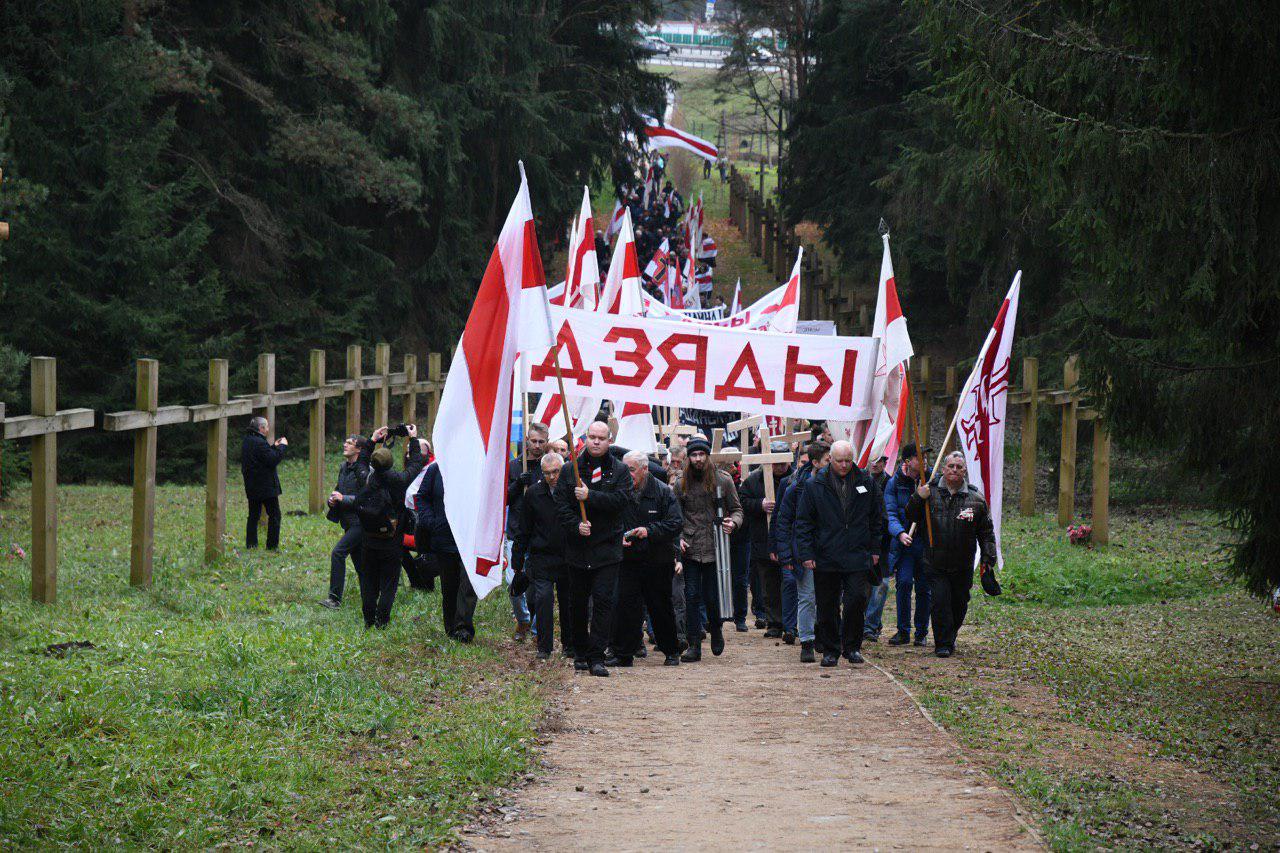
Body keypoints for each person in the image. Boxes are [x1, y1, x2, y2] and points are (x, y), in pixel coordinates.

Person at [794, 441, 886, 666]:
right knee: (827, 604)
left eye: (848, 460)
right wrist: (807, 553)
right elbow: (804, 522)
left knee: (856, 600)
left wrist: (875, 549)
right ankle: (830, 649)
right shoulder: (815, 484)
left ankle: (852, 646)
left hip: (857, 553)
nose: (844, 465)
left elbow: (877, 518)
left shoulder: (866, 482)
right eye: (839, 461)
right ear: (830, 460)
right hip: (826, 554)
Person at [554, 421, 635, 677]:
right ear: (585, 438)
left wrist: (591, 497)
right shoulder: (570, 470)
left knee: (603, 602)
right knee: (577, 603)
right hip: (578, 549)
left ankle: (597, 656)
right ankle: (580, 652)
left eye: (601, 438)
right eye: (592, 437)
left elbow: (622, 501)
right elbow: (561, 506)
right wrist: (576, 525)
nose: (596, 442)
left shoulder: (620, 470)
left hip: (607, 548)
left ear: (609, 440)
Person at [906, 451, 996, 658]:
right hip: (935, 562)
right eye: (951, 466)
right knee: (940, 602)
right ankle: (942, 643)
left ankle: (950, 634)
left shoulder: (976, 500)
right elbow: (910, 515)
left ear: (964, 471)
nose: (954, 470)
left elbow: (986, 533)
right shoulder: (930, 493)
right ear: (943, 470)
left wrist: (988, 559)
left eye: (959, 467)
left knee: (959, 602)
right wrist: (918, 498)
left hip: (963, 564)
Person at [611, 450, 684, 667]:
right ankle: (624, 654)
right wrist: (618, 538)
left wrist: (649, 531)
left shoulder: (663, 492)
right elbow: (611, 521)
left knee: (660, 607)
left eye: (631, 470)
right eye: (624, 470)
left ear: (644, 469)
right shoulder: (620, 491)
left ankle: (671, 651)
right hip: (628, 560)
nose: (627, 474)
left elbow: (675, 524)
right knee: (626, 608)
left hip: (657, 560)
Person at [674, 436, 743, 662]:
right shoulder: (680, 483)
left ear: (707, 456)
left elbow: (737, 510)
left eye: (701, 454)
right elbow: (674, 517)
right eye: (694, 455)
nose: (698, 459)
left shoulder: (723, 480)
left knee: (712, 597)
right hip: (691, 547)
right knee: (692, 596)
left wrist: (733, 522)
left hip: (717, 546)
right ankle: (694, 644)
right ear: (689, 457)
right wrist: (679, 538)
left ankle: (716, 629)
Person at [352, 426, 425, 628]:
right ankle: (382, 621)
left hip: (368, 539)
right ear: (391, 464)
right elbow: (417, 463)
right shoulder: (400, 481)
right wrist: (413, 439)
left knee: (367, 581)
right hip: (392, 541)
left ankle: (368, 620)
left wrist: (371, 440)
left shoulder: (365, 478)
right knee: (389, 583)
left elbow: (360, 462)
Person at [512, 453, 573, 661]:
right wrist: (517, 560)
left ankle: (569, 645)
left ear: (562, 470)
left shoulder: (573, 490)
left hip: (568, 555)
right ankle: (544, 646)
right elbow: (524, 528)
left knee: (568, 602)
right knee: (543, 600)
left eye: (555, 472)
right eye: (547, 473)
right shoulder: (534, 493)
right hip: (542, 556)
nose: (552, 477)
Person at [775, 441, 828, 662]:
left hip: (829, 550)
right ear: (816, 463)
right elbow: (783, 521)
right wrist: (785, 553)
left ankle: (824, 635)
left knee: (828, 597)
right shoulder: (796, 488)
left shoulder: (838, 485)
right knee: (807, 596)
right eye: (828, 460)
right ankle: (807, 640)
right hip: (804, 550)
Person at [418, 453, 478, 642]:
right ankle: (451, 626)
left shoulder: (476, 467)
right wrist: (430, 521)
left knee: (468, 585)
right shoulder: (436, 469)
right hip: (444, 539)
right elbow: (422, 496)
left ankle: (463, 627)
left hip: (469, 539)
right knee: (449, 586)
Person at [740, 442, 792, 637]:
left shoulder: (794, 479)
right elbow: (742, 501)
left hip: (787, 540)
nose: (779, 467)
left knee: (790, 583)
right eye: (775, 463)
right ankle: (774, 623)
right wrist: (759, 505)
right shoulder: (754, 481)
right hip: (762, 539)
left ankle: (790, 623)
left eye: (782, 463)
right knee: (769, 585)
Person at [883, 444, 930, 646]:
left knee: (924, 588)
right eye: (920, 458)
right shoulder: (894, 483)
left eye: (926, 458)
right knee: (903, 583)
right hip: (905, 544)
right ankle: (903, 631)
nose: (925, 462)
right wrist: (900, 533)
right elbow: (890, 513)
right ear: (907, 462)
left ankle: (921, 633)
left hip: (926, 543)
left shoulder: (932, 480)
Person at [507, 422, 550, 642]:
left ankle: (535, 628)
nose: (537, 445)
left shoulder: (549, 466)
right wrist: (517, 485)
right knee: (514, 582)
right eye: (533, 441)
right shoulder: (515, 466)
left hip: (540, 533)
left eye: (541, 441)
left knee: (538, 585)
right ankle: (522, 618)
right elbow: (503, 498)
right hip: (516, 532)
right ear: (526, 440)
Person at [321, 434, 371, 608]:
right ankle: (372, 595)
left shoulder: (364, 470)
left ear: (359, 449)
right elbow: (338, 489)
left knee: (338, 552)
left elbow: (367, 498)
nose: (345, 444)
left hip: (361, 522)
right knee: (361, 565)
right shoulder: (344, 467)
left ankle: (334, 599)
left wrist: (344, 498)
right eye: (346, 441)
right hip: (348, 523)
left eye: (350, 443)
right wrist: (332, 499)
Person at [241, 416, 287, 550]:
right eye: (266, 427)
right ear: (261, 428)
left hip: (252, 485)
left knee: (253, 515)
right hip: (265, 487)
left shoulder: (248, 441)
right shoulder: (260, 442)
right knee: (275, 515)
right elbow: (272, 459)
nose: (268, 429)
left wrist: (274, 446)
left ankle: (251, 544)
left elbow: (262, 456)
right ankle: (272, 546)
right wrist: (282, 447)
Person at [863, 454, 893, 642]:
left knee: (882, 585)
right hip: (860, 542)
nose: (875, 464)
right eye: (872, 460)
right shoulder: (859, 480)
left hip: (883, 543)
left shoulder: (890, 483)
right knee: (863, 585)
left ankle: (871, 625)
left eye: (879, 461)